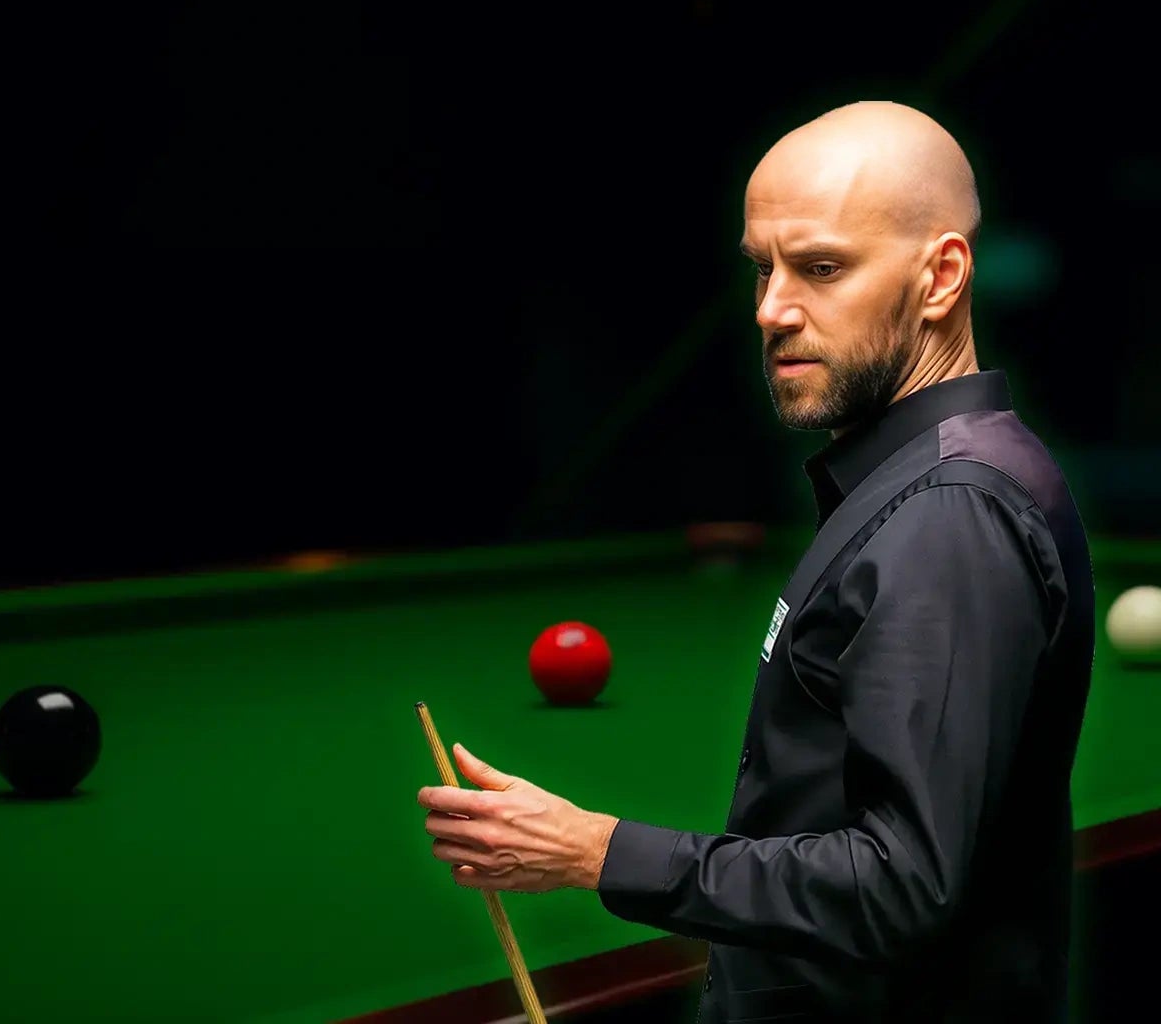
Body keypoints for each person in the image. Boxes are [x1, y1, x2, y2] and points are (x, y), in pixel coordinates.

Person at [418, 100, 1096, 1023]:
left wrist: (595, 850)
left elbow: (902, 887)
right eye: (763, 269)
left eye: (821, 268)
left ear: (940, 276)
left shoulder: (948, 514)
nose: (772, 310)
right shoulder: (921, 478)